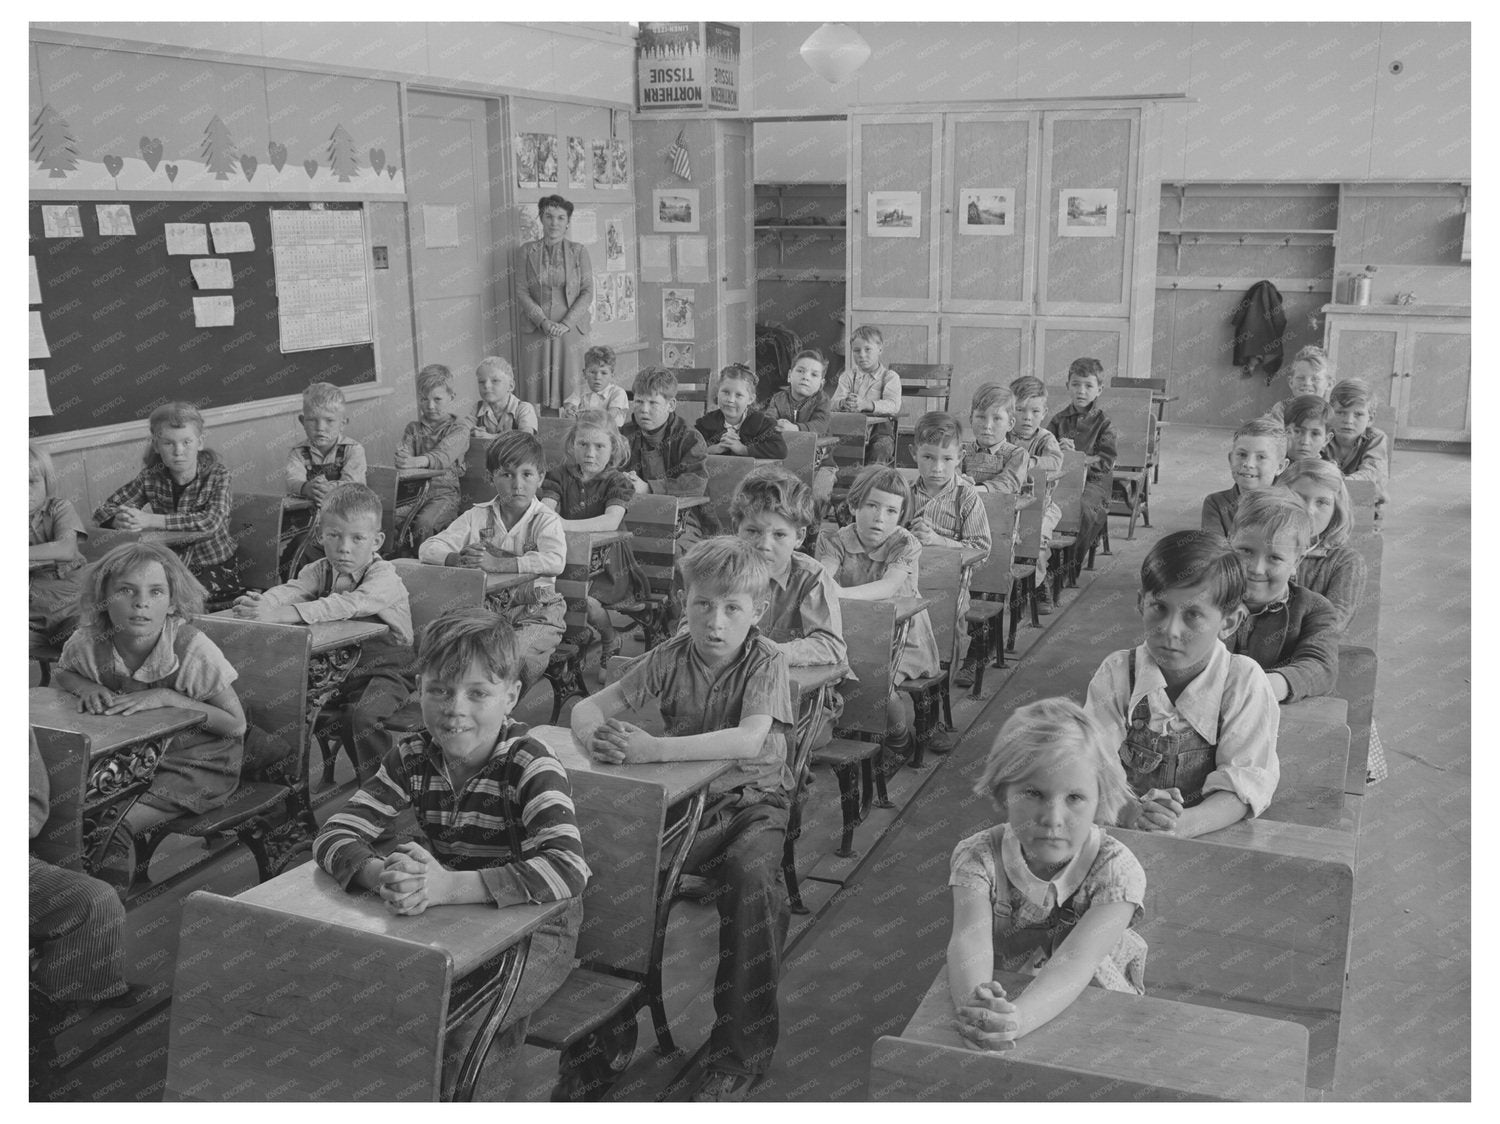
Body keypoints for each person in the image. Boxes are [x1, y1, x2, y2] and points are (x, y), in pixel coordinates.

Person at [313, 608, 589, 1101]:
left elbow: (567, 870)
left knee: (464, 1027)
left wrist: (447, 887)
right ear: (419, 689)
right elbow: (334, 832)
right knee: (373, 1007)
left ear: (510, 698)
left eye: (477, 693)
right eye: (438, 690)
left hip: (538, 931)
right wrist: (381, 877)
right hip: (452, 922)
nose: (454, 709)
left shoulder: (530, 763)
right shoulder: (411, 758)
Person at [571, 538, 797, 1102]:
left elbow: (749, 739)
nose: (714, 623)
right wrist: (593, 736)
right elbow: (587, 707)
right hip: (688, 807)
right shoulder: (671, 655)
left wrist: (653, 752)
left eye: (732, 609)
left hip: (753, 805)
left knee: (751, 882)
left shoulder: (768, 658)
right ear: (683, 601)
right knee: (619, 869)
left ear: (758, 611)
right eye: (702, 605)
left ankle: (739, 1052)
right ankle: (608, 1029)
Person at [947, 699, 1147, 1050]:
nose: (1053, 818)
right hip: (1007, 996)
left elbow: (1076, 961)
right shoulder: (979, 858)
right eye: (1033, 793)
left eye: (1074, 797)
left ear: (1100, 799)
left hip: (1096, 1016)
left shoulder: (1116, 872)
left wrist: (1016, 1020)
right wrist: (978, 1005)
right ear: (1002, 791)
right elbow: (970, 939)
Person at [52, 542, 247, 892]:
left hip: (197, 764)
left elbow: (235, 725)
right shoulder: (87, 641)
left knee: (109, 825)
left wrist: (168, 696)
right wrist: (83, 686)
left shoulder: (191, 648)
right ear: (103, 599)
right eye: (126, 590)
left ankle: (106, 917)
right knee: (63, 814)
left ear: (172, 601)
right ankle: (69, 902)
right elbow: (63, 672)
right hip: (126, 760)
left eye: (155, 592)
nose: (141, 602)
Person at [1084, 530, 1280, 839]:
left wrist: (1177, 825)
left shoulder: (1243, 682)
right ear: (1140, 603)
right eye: (1159, 608)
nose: (1170, 630)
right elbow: (1092, 768)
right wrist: (1132, 814)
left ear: (1229, 622)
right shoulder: (1118, 672)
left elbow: (1245, 787)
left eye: (1193, 615)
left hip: (1208, 841)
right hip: (1125, 834)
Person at [233, 484, 414, 782]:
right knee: (278, 702)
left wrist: (281, 615)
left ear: (377, 540)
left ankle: (382, 787)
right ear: (320, 536)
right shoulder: (319, 568)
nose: (344, 547)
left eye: (357, 538)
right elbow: (292, 590)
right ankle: (285, 785)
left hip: (388, 669)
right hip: (338, 666)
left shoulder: (384, 577)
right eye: (334, 536)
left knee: (361, 718)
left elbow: (347, 604)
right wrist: (262, 603)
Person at [418, 431, 565, 694]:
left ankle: (499, 717)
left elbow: (555, 561)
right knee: (448, 651)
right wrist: (457, 557)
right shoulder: (476, 516)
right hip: (485, 611)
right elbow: (428, 548)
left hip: (537, 612)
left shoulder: (546, 520)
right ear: (490, 477)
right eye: (506, 474)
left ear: (541, 477)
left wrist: (497, 564)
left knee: (513, 658)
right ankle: (457, 711)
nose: (517, 484)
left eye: (526, 474)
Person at [818, 466, 939, 772]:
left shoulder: (906, 544)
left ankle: (900, 740)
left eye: (890, 511)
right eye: (872, 506)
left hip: (903, 638)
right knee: (826, 676)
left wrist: (838, 594)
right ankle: (829, 734)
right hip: (849, 634)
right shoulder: (834, 539)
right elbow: (823, 578)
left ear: (900, 516)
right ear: (853, 505)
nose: (880, 518)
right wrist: (830, 590)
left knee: (877, 682)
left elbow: (888, 586)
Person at [1282, 459, 1387, 783]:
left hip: (1313, 662)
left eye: (1322, 502)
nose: (1309, 510)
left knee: (1317, 765)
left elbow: (1332, 624)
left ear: (1337, 508)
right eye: (1299, 497)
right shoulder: (1263, 547)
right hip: (1255, 657)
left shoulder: (1345, 561)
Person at [92, 401, 237, 603]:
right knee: (121, 594)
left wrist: (150, 520)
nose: (178, 451)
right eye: (169, 443)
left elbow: (211, 522)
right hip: (165, 566)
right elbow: (103, 511)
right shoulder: (151, 476)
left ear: (200, 442)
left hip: (213, 567)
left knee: (166, 600)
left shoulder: (218, 475)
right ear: (156, 446)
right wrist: (121, 520)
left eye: (187, 442)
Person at [538, 410, 648, 674]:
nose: (590, 452)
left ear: (614, 448)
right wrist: (551, 521)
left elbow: (610, 521)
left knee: (585, 598)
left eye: (600, 446)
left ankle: (610, 639)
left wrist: (561, 525)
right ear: (572, 444)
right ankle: (567, 643)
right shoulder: (559, 475)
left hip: (609, 563)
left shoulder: (617, 482)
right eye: (583, 444)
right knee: (548, 593)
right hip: (568, 556)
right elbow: (545, 509)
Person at [1228, 490, 1342, 703]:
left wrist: (1264, 686)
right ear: (1229, 542)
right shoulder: (1206, 598)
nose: (1256, 569)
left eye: (1275, 558)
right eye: (1245, 551)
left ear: (1296, 562)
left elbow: (1320, 667)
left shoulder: (1315, 609)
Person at [516, 194, 594, 406]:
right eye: (549, 216)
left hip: (570, 331)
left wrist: (566, 324)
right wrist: (543, 321)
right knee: (535, 387)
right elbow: (521, 291)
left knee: (570, 388)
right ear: (541, 218)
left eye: (561, 218)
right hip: (537, 329)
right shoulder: (526, 251)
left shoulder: (579, 251)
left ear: (568, 222)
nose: (554, 223)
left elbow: (587, 291)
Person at [283, 381, 367, 571]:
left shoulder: (353, 450)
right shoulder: (298, 453)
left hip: (349, 519)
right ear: (302, 421)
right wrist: (306, 488)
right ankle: (295, 587)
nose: (320, 427)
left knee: (310, 546)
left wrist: (327, 488)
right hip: (312, 521)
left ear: (343, 423)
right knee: (294, 548)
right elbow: (292, 481)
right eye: (313, 420)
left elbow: (352, 483)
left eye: (329, 420)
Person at [1046, 358, 1116, 563]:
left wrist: (1079, 457)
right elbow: (1044, 450)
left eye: (1088, 386)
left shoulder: (1104, 423)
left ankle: (1070, 564)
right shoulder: (1058, 420)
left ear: (1099, 390)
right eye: (1075, 384)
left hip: (1094, 484)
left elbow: (1106, 461)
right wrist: (1057, 450)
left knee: (1083, 509)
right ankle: (1046, 559)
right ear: (1068, 386)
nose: (1081, 391)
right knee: (1043, 504)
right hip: (1062, 480)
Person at [397, 363, 474, 545]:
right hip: (411, 492)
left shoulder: (459, 428)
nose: (430, 406)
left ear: (451, 397)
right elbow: (404, 459)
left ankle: (426, 563)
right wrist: (402, 459)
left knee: (425, 524)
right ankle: (395, 562)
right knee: (388, 518)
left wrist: (413, 462)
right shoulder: (412, 428)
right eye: (424, 399)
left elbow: (443, 457)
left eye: (437, 399)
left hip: (444, 495)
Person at [1009, 375, 1065, 612]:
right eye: (1020, 410)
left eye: (1034, 410)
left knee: (1037, 538)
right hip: (1012, 506)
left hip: (1043, 508)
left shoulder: (1045, 438)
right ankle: (1005, 586)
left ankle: (1040, 584)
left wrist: (1026, 461)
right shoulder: (1005, 436)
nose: (1027, 417)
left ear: (1044, 412)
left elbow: (1054, 461)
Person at [29, 442, 87, 648]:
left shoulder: (59, 508)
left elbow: (66, 549)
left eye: (31, 482)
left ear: (47, 482)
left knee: (84, 637)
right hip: (31, 613)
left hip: (69, 603)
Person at [621, 366, 709, 498]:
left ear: (671, 405)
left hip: (682, 512)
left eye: (653, 403)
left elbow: (696, 483)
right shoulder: (623, 434)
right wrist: (624, 479)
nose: (644, 409)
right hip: (631, 507)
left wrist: (648, 488)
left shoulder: (690, 438)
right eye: (639, 401)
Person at [1200, 417, 1288, 538]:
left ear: (1280, 466)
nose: (1248, 464)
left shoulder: (1289, 505)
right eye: (1242, 454)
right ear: (1230, 459)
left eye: (1261, 457)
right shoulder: (1216, 503)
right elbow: (1214, 552)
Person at [831, 325, 901, 465]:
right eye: (856, 351)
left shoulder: (890, 377)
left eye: (868, 349)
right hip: (850, 428)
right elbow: (832, 403)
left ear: (880, 349)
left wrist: (866, 404)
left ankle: (872, 482)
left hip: (879, 431)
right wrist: (843, 403)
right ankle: (845, 482)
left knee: (881, 448)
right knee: (836, 449)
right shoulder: (848, 376)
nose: (862, 355)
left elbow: (893, 406)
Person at [697, 364, 787, 459]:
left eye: (739, 395)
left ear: (750, 399)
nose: (731, 400)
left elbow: (780, 450)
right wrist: (713, 449)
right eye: (726, 392)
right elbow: (689, 448)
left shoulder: (762, 423)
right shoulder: (706, 422)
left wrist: (743, 449)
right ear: (717, 393)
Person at [1326, 378, 1391, 506]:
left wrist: (1339, 482)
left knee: (1374, 487)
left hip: (1362, 510)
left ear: (1370, 418)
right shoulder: (1321, 434)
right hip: (1326, 501)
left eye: (1358, 414)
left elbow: (1371, 473)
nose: (1348, 421)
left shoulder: (1376, 437)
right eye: (1340, 412)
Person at [963, 384, 1028, 495]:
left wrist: (972, 491)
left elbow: (1007, 484)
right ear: (971, 420)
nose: (987, 425)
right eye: (981, 417)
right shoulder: (960, 451)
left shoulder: (1018, 455)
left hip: (1000, 510)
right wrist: (958, 480)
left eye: (997, 418)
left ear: (1010, 424)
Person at [765, 349, 833, 436]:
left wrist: (795, 428)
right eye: (800, 371)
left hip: (816, 446)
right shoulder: (778, 398)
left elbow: (821, 425)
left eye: (814, 375)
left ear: (821, 384)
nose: (806, 377)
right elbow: (768, 420)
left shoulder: (822, 400)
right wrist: (776, 423)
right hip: (785, 444)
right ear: (789, 376)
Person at [1263, 345, 1334, 426]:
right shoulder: (1278, 414)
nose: (1307, 383)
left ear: (1329, 384)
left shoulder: (1333, 417)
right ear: (1291, 382)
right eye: (1300, 378)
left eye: (1315, 379)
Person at [562, 345, 630, 429]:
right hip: (585, 430)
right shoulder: (580, 390)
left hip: (610, 432)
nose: (597, 377)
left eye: (604, 373)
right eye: (592, 372)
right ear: (584, 373)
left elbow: (610, 415)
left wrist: (586, 416)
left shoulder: (618, 392)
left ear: (612, 375)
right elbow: (571, 404)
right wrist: (570, 410)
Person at [472, 355, 540, 437]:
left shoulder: (524, 408)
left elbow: (524, 439)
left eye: (495, 381)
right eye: (481, 381)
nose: (486, 386)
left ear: (511, 386)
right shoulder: (477, 408)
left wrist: (489, 437)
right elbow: (465, 431)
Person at [1279, 394, 1336, 472]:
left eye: (1315, 434)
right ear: (1285, 431)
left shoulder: (1330, 474)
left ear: (1326, 439)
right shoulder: (1272, 466)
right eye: (1297, 431)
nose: (1305, 442)